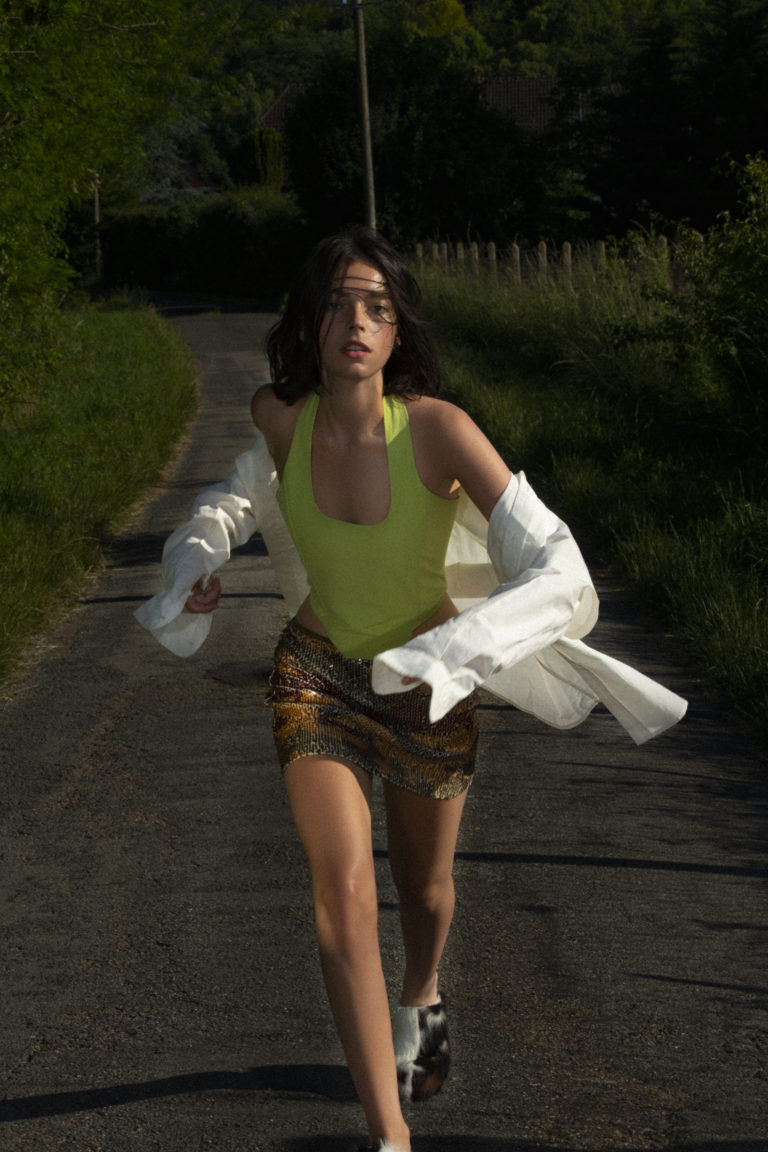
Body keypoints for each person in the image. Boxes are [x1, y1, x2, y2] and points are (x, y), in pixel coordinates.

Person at [135, 227, 686, 1152]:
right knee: (342, 893)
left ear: (397, 333)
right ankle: (390, 1136)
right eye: (339, 303)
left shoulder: (439, 431)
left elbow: (559, 564)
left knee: (425, 891)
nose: (357, 321)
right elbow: (231, 498)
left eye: (378, 307)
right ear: (310, 323)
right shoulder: (281, 417)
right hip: (317, 679)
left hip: (431, 689)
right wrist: (196, 561)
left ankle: (422, 993)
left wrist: (462, 647)